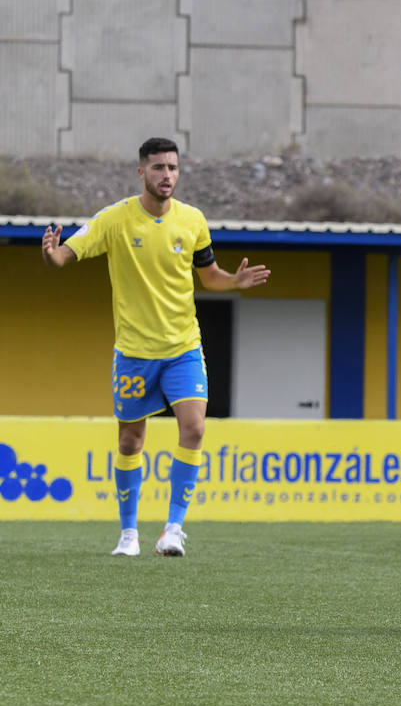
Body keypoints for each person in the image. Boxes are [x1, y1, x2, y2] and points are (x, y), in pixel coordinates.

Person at [40, 137, 270, 557]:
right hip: (133, 351)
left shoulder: (193, 220)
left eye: (173, 168)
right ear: (141, 172)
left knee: (195, 428)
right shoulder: (114, 219)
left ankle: (173, 529)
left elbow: (209, 275)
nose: (168, 175)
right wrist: (52, 254)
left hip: (183, 347)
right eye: (159, 167)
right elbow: (65, 256)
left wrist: (234, 282)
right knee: (130, 442)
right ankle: (129, 535)